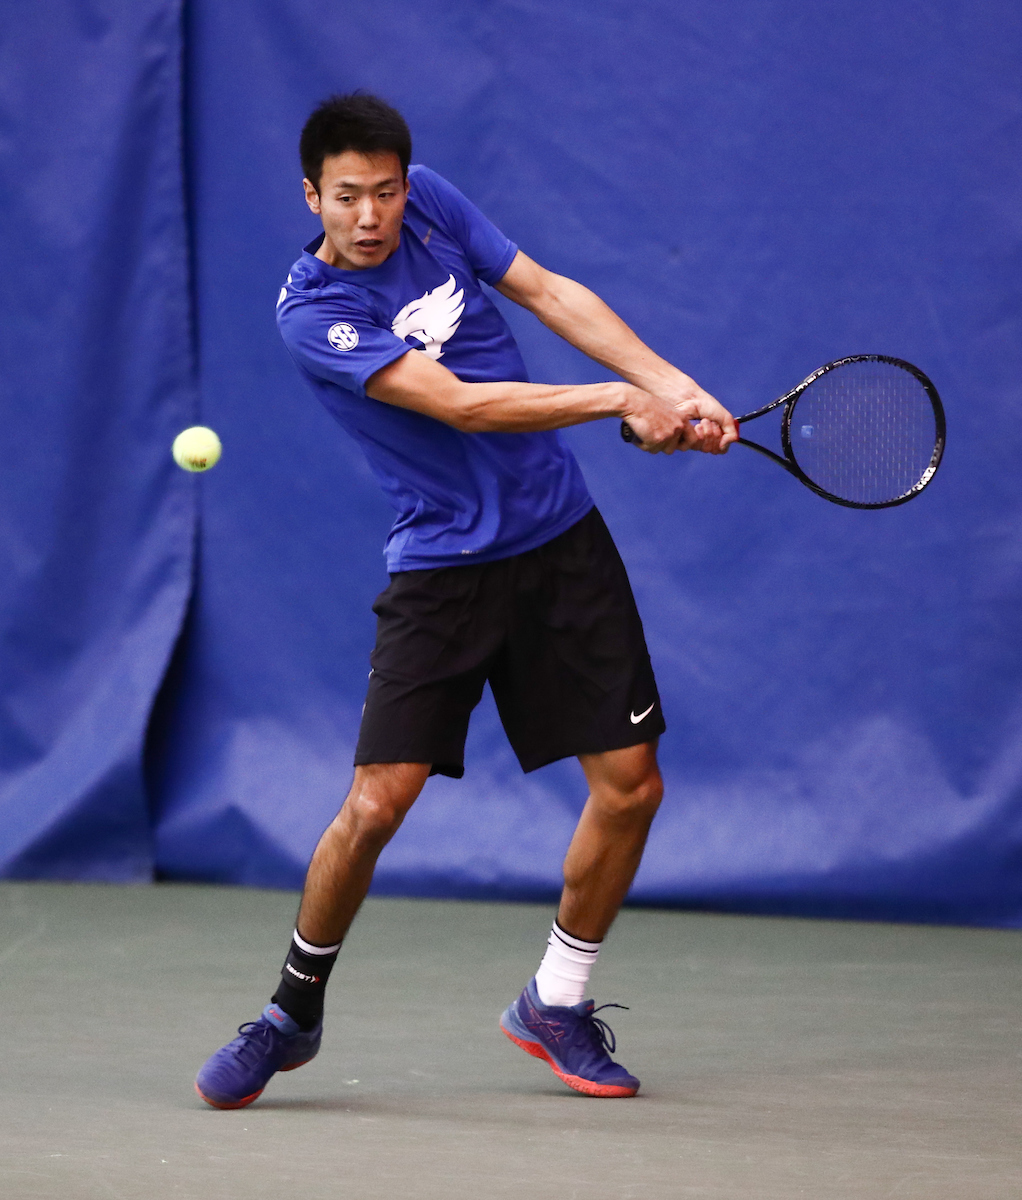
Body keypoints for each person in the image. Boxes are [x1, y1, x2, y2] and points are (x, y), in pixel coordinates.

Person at [195, 92, 737, 1109]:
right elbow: (461, 405)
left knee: (631, 785)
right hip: (442, 568)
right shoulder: (311, 312)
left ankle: (555, 1001)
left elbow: (548, 293)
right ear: (311, 195)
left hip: (560, 544)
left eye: (386, 192)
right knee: (376, 802)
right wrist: (622, 401)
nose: (372, 214)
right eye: (348, 196)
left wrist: (671, 381)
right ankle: (290, 1011)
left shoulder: (434, 207)